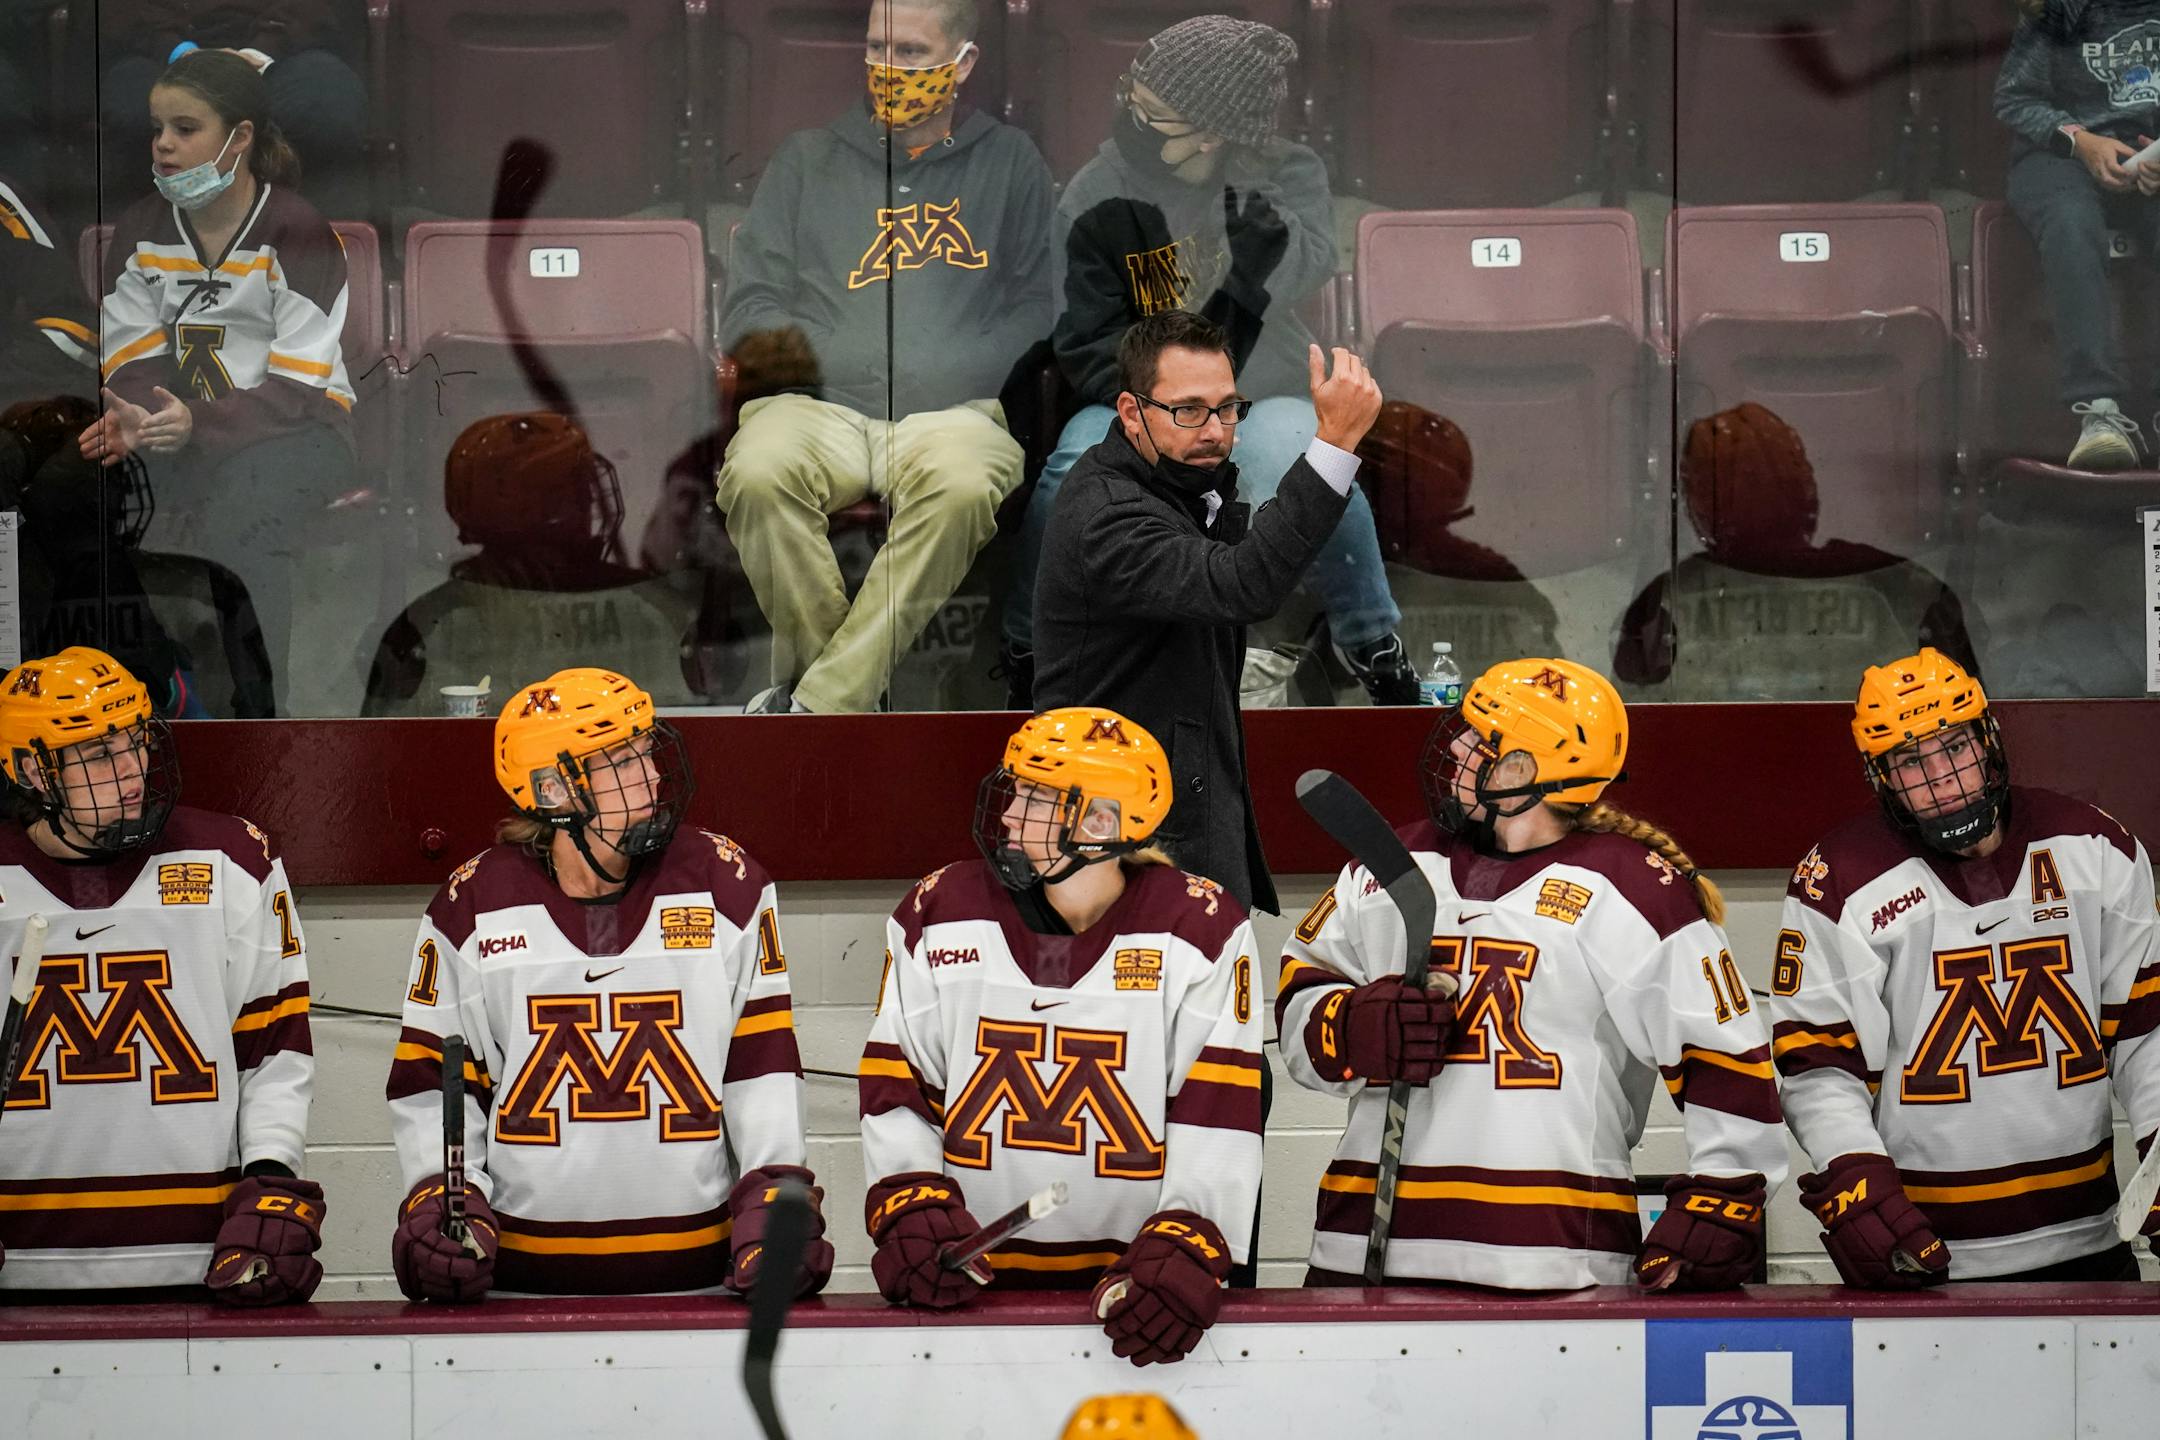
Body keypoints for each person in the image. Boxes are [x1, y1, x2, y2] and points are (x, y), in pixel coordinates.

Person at [1278, 658, 1789, 1289]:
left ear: (1523, 772)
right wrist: (1349, 1025)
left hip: (1552, 1253)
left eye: (1479, 739)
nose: (1457, 748)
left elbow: (1726, 1056)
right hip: (1361, 1245)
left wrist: (1724, 1189)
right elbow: (1299, 991)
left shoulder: (1633, 888)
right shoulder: (1386, 863)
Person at [385, 667, 833, 1300]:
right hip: (518, 1298)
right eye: (621, 763)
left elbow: (760, 1072)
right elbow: (433, 1088)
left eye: (646, 752)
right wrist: (440, 1200)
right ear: (550, 791)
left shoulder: (728, 886)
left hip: (699, 1289)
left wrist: (774, 1194)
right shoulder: (473, 905)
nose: (651, 776)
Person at [1006, 13, 1414, 707]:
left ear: (1212, 134)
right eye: (1134, 97)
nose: (1133, 118)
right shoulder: (1094, 196)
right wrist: (1161, 415)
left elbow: (1306, 265)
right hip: (1128, 403)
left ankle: (1372, 646)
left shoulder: (1286, 174)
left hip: (1259, 391)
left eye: (1157, 116)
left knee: (1318, 462)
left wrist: (1237, 191)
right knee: (1068, 476)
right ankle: (1028, 648)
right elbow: (1081, 341)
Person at [859, 708, 1262, 1367]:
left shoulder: (1201, 928)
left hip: (1128, 1303)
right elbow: (898, 1087)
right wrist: (911, 1206)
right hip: (966, 1301)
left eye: (1034, 797)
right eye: (1014, 789)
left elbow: (1216, 1114)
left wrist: (1187, 1241)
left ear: (1100, 823)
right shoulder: (939, 911)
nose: (1009, 815)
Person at [1769, 647, 2160, 1285]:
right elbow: (1820, 1068)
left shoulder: (2097, 847)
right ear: (1880, 777)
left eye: (1953, 747)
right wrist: (1856, 1177)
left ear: (1989, 739)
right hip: (1927, 1253)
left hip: (2090, 1237)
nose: (1941, 777)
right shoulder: (1839, 880)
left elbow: (2146, 1032)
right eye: (1909, 761)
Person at [715, 0, 1052, 714]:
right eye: (877, 49)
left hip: (954, 413)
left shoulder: (1010, 161)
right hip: (816, 408)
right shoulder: (807, 159)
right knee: (755, 472)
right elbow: (750, 302)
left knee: (964, 485)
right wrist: (821, 364)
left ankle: (814, 706)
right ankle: (845, 700)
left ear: (962, 65)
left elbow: (1038, 309)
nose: (888, 69)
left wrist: (950, 366)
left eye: (911, 53)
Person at [1032, 310, 1382, 914]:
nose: (1215, 430)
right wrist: (1334, 445)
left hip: (1180, 821)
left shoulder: (1186, 487)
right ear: (1130, 412)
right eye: (1188, 410)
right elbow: (1240, 585)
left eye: (1227, 408)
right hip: (1111, 843)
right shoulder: (1106, 516)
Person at [0, 646, 321, 1303]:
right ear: (33, 770)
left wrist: (269, 1181)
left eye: (136, 742)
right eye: (97, 754)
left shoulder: (232, 862)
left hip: (203, 1263)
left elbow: (274, 1053)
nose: (130, 772)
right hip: (20, 1264)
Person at [79, 47, 356, 714]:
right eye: (157, 129)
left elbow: (299, 386)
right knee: (75, 491)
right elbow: (130, 356)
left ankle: (262, 714)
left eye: (185, 128)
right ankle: (135, 696)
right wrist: (143, 419)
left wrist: (194, 423)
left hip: (300, 433)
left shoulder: (297, 229)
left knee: (245, 518)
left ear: (241, 137)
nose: (164, 145)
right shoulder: (143, 228)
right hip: (179, 432)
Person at [363, 413, 704, 715]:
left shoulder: (428, 623)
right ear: (546, 508)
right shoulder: (660, 608)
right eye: (578, 487)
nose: (591, 499)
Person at [1997, 1, 2160, 468]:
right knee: (2071, 222)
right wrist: (2082, 142)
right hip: (2058, 156)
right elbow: (2014, 99)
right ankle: (2099, 413)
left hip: (2146, 158)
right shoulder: (2058, 9)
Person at [95, 3, 368, 218]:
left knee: (329, 102)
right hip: (163, 51)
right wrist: (179, 51)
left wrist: (260, 50)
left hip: (277, 52)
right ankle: (149, 239)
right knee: (129, 107)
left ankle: (309, 242)